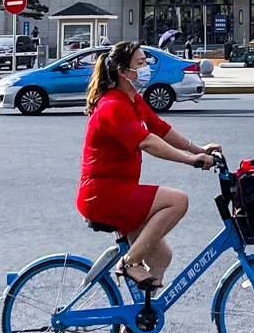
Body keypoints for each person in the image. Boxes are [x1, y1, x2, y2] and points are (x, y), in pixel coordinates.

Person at [75, 41, 221, 305]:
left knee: (160, 257)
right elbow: (148, 141)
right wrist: (191, 161)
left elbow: (160, 128)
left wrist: (198, 148)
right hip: (103, 194)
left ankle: (138, 324)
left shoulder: (132, 100)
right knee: (178, 201)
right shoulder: (112, 106)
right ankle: (128, 263)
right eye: (140, 64)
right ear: (123, 71)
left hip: (120, 191)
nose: (146, 68)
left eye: (146, 62)